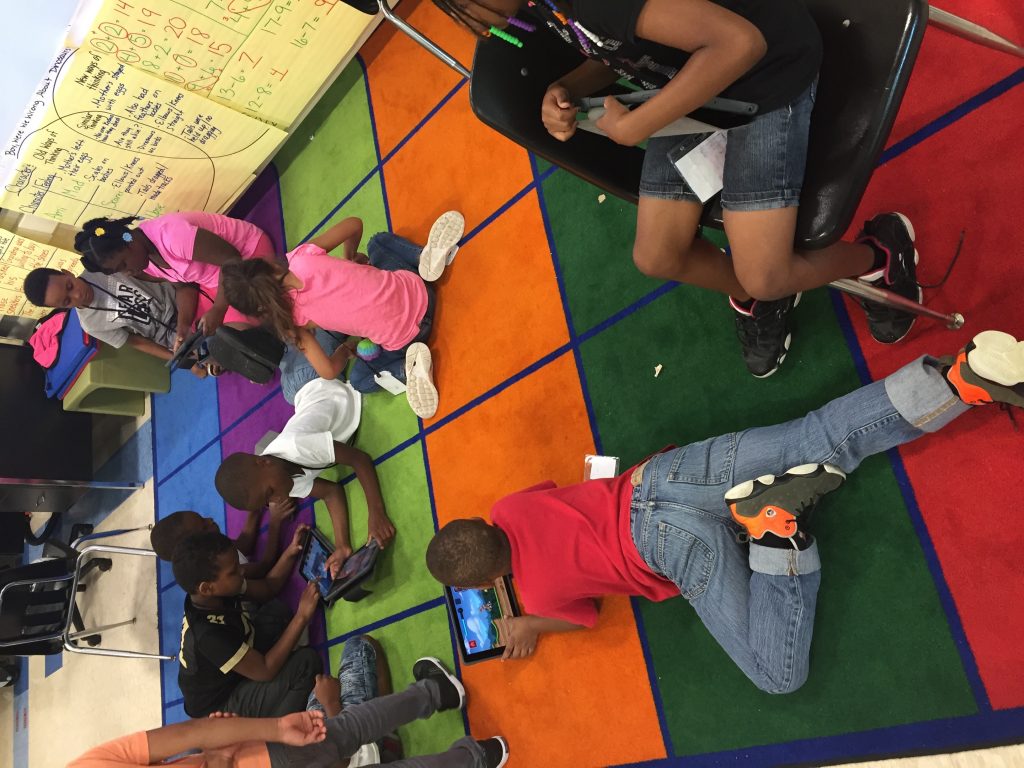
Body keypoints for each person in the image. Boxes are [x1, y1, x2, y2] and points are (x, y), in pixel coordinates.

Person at [426, 330, 1024, 691]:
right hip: (660, 476)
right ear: (484, 520)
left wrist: (529, 623)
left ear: (486, 582)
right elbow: (549, 489)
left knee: (776, 674)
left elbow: (585, 616)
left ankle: (775, 538)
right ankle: (960, 381)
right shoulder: (509, 505)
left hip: (665, 546)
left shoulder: (536, 595)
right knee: (815, 435)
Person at [431, 0, 922, 378]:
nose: (468, 22)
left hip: (764, 82)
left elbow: (740, 45)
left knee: (766, 274)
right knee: (657, 256)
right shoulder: (545, 6)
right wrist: (566, 89)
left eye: (457, 5)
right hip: (696, 90)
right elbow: (614, 45)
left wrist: (640, 123)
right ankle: (765, 294)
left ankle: (880, 256)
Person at [219, 211, 464, 418]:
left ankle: (407, 369)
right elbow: (354, 223)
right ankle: (422, 257)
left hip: (409, 337)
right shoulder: (301, 257)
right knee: (377, 242)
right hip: (419, 290)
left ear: (260, 310)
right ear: (268, 264)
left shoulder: (292, 322)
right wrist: (350, 258)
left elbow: (327, 371)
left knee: (360, 379)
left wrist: (344, 352)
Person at [68, 653, 510, 768]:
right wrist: (275, 729)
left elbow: (194, 736)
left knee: (347, 728)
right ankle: (437, 693)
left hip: (263, 751)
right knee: (350, 725)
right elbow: (193, 736)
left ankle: (477, 758)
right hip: (264, 755)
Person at [214, 361, 394, 578]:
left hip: (313, 375)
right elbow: (330, 492)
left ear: (264, 462)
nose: (278, 500)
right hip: (302, 394)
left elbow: (360, 460)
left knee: (305, 339)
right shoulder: (282, 482)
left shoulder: (298, 446)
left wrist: (376, 512)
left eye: (270, 493)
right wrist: (342, 546)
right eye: (266, 503)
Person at [173, 530, 322, 718]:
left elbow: (268, 587)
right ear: (207, 587)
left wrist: (291, 552)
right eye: (234, 570)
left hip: (232, 662)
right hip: (220, 707)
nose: (242, 570)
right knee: (307, 663)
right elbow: (266, 670)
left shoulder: (214, 592)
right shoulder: (208, 635)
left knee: (277, 612)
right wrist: (302, 616)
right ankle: (271, 733)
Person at [72, 211, 279, 337]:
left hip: (247, 255)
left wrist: (219, 308)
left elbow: (231, 259)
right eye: (120, 270)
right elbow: (182, 285)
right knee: (224, 335)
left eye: (123, 264)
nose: (127, 272)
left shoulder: (171, 236)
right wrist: (183, 326)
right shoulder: (143, 262)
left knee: (264, 316)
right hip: (220, 280)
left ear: (128, 239)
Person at [21, 267, 208, 378]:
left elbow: (160, 275)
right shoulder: (90, 324)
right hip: (169, 335)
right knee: (207, 356)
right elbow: (138, 342)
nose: (77, 295)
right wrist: (180, 359)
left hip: (177, 297)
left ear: (67, 272)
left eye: (70, 286)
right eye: (67, 301)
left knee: (214, 323)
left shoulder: (100, 267)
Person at [150, 504, 297, 584]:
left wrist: (254, 508)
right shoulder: (217, 569)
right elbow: (265, 567)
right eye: (204, 526)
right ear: (195, 547)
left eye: (203, 517)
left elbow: (243, 545)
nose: (210, 520)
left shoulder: (209, 549)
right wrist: (275, 522)